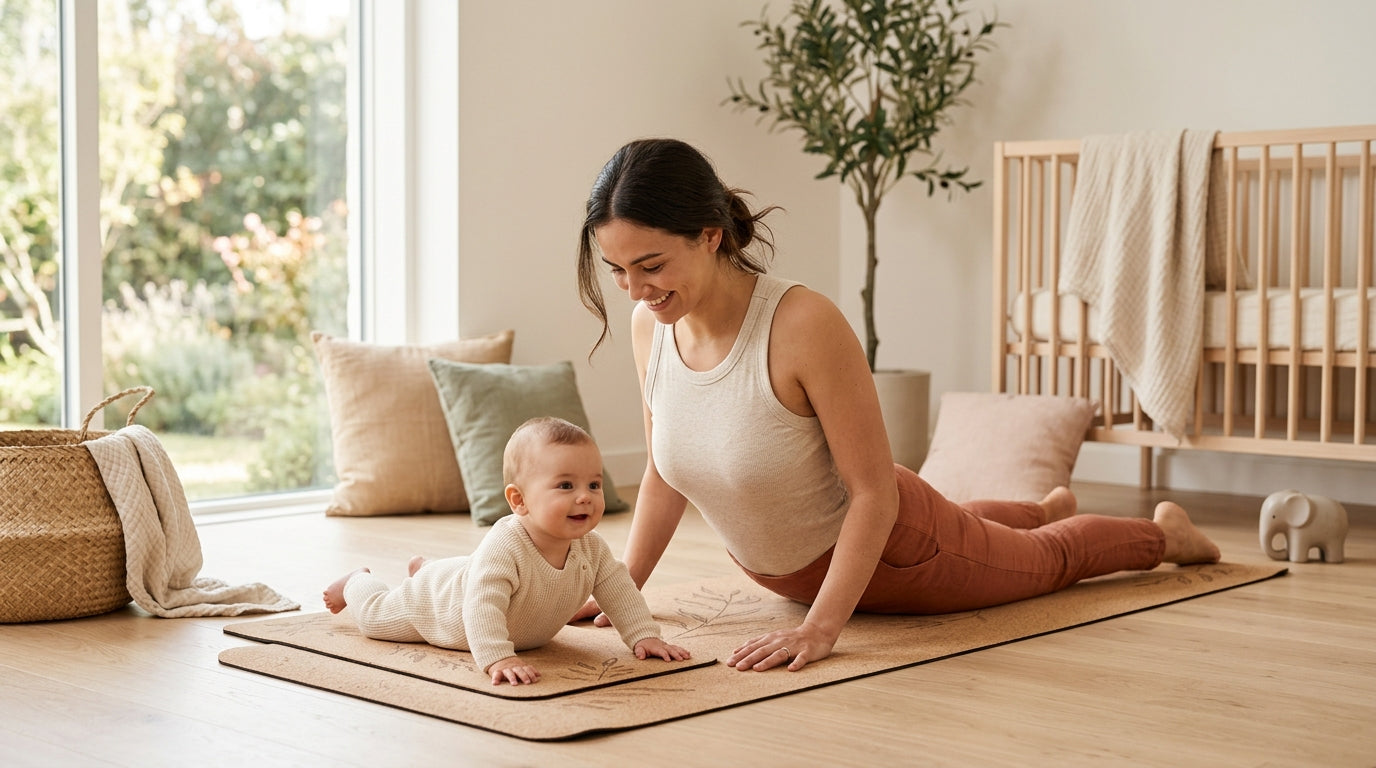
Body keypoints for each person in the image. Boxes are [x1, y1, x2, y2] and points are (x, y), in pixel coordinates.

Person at [571, 137, 1221, 674]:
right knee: (986, 533)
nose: (635, 289)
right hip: (789, 572)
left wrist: (822, 630)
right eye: (617, 270)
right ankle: (1039, 510)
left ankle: (1168, 536)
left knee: (1051, 561)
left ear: (710, 235)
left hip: (899, 553)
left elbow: (875, 495)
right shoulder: (649, 326)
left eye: (650, 265)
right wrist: (621, 588)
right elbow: (663, 471)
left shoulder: (801, 324)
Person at [322, 416, 691, 686]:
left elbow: (620, 590)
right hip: (440, 608)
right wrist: (498, 655)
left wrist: (644, 634)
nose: (585, 496)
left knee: (470, 571)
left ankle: (428, 568)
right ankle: (358, 581)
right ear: (519, 500)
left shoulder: (590, 549)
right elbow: (481, 606)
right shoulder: (505, 547)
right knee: (373, 619)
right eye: (565, 485)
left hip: (469, 576)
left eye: (594, 484)